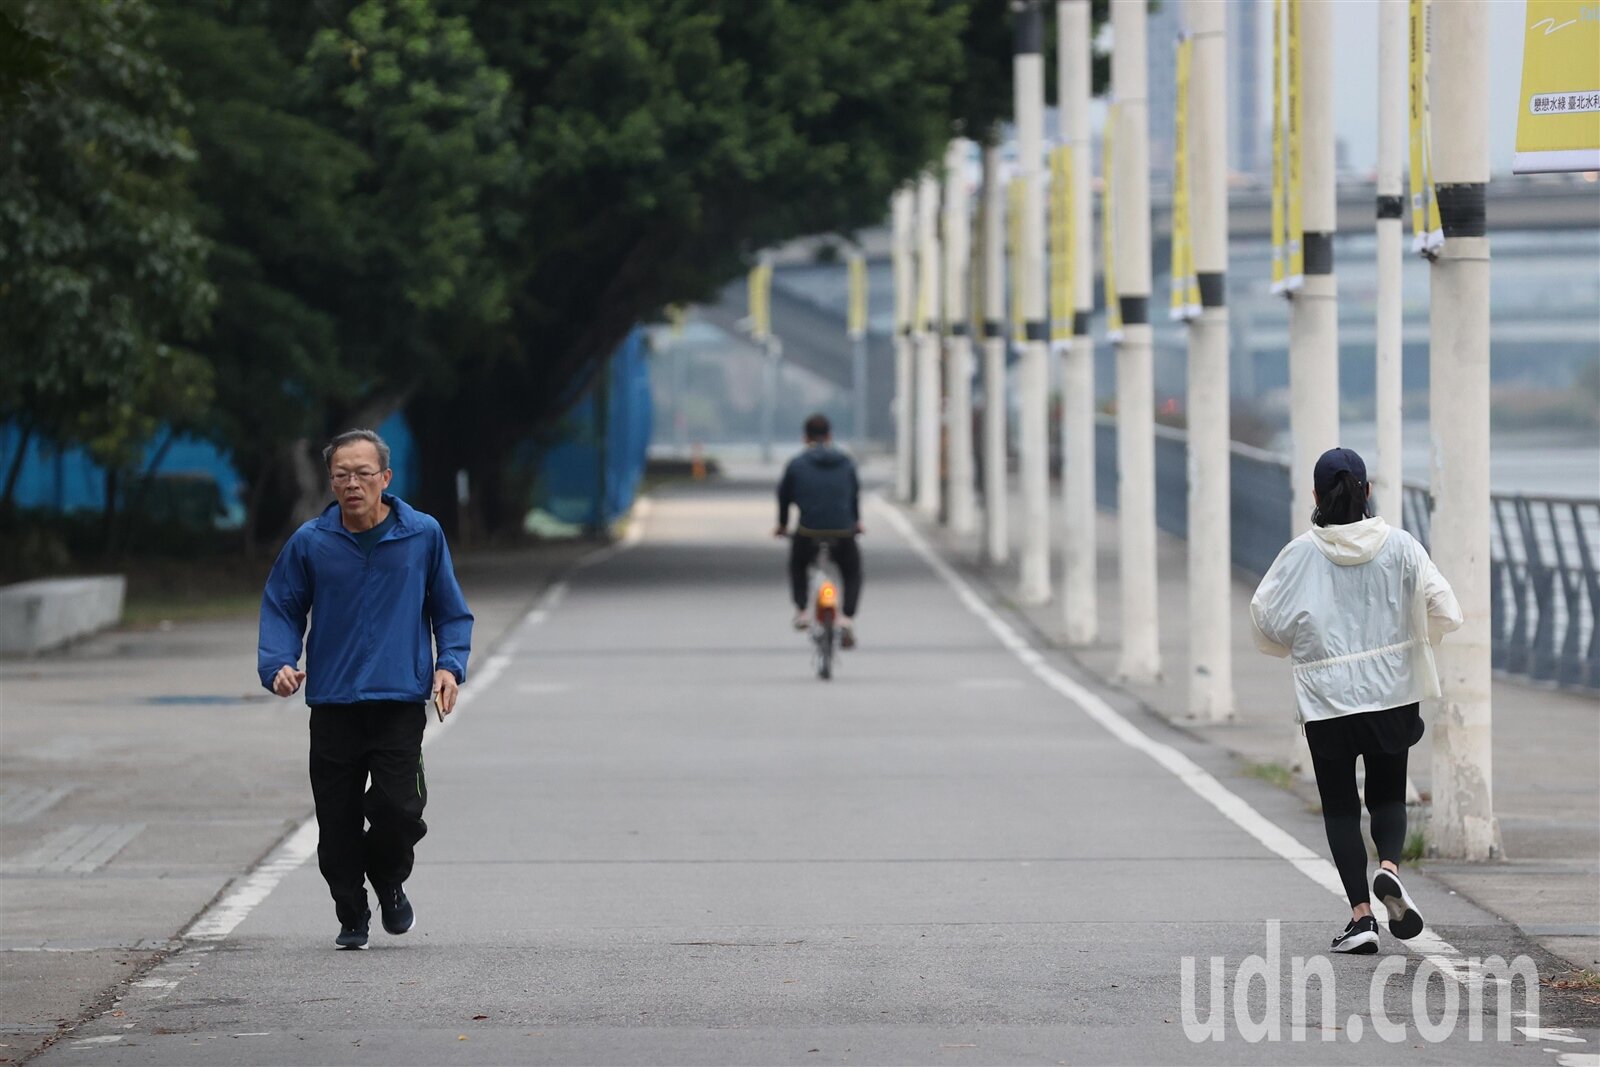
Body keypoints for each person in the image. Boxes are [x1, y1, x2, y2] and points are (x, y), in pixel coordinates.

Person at [258, 429, 473, 949]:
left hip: (399, 701)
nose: (352, 484)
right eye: (341, 475)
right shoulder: (311, 542)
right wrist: (279, 663)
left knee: (400, 809)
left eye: (362, 473)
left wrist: (449, 666)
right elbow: (283, 607)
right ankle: (351, 911)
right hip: (334, 705)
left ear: (385, 478)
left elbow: (449, 610)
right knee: (337, 824)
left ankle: (388, 880)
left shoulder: (422, 535)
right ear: (331, 482)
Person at [1250, 447, 1461, 955]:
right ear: (1367, 491)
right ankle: (1389, 869)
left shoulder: (1299, 553)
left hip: (1327, 700)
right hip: (1393, 692)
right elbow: (1446, 609)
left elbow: (1265, 617)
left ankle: (1361, 918)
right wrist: (1413, 636)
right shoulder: (1402, 546)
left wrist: (1302, 640)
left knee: (1341, 808)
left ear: (1316, 495)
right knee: (1387, 796)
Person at [774, 414, 863, 646]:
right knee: (852, 571)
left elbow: (784, 497)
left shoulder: (796, 464)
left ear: (805, 437)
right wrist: (856, 522)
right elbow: (853, 494)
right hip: (843, 531)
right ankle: (846, 618)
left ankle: (802, 610)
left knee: (798, 564)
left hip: (808, 531)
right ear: (830, 436)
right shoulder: (847, 462)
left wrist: (782, 525)